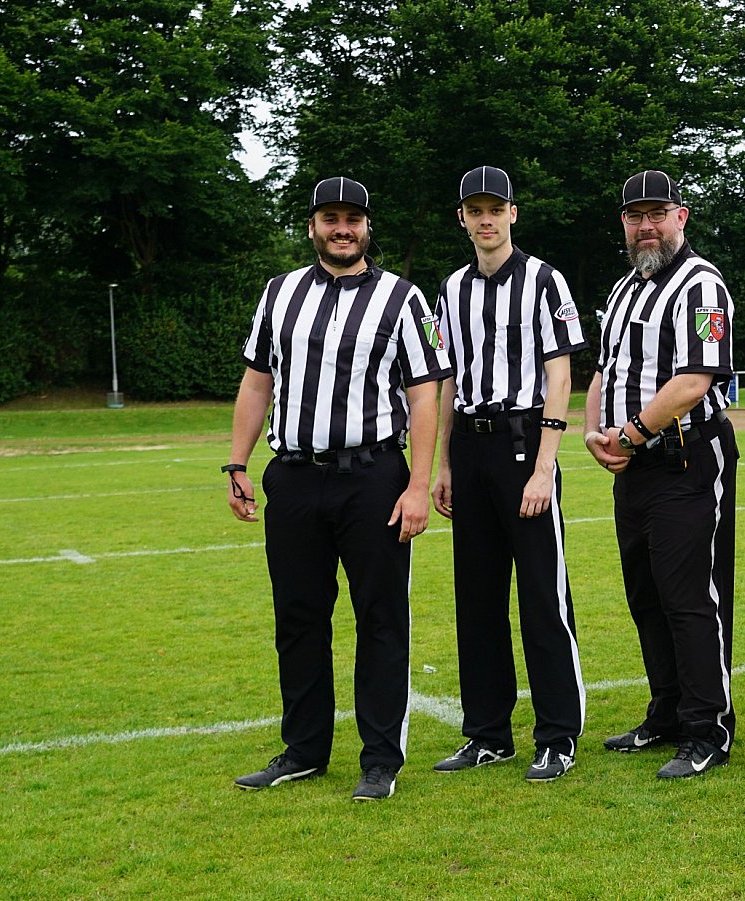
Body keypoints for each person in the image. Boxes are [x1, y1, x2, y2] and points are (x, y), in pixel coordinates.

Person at [226, 176, 450, 801]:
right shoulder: (280, 293)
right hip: (294, 476)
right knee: (298, 618)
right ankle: (303, 751)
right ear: (313, 227)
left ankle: (379, 758)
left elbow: (424, 393)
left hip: (372, 477)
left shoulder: (403, 298)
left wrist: (417, 485)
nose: (342, 229)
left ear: (367, 226)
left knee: (380, 618)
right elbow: (256, 381)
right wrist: (236, 463)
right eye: (330, 219)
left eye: (352, 219)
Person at [429, 166, 586, 782]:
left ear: (513, 214)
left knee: (543, 597)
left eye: (495, 209)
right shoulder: (451, 288)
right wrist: (444, 462)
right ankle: (487, 734)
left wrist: (545, 467)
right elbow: (447, 379)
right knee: (477, 599)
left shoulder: (545, 279)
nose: (486, 220)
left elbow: (560, 374)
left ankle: (558, 735)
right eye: (476, 211)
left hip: (524, 443)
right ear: (462, 219)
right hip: (471, 446)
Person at [584, 170, 738, 779]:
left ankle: (707, 728)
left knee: (689, 597)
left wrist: (630, 433)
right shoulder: (625, 289)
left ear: (681, 217)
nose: (646, 226)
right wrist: (596, 433)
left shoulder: (702, 284)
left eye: (657, 214)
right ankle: (668, 712)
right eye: (634, 216)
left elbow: (695, 379)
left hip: (686, 455)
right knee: (646, 595)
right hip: (637, 464)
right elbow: (604, 370)